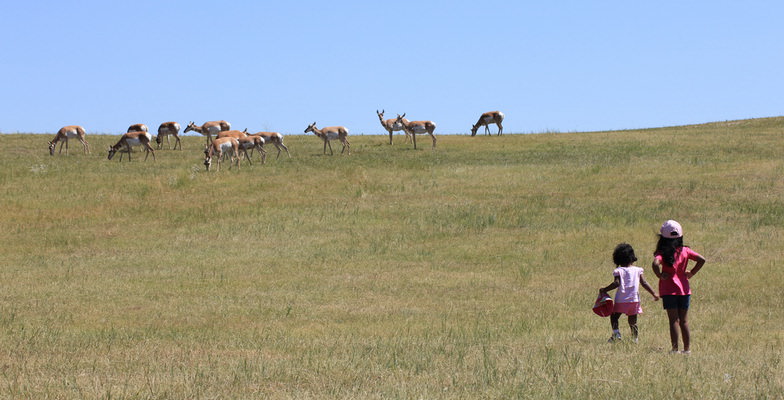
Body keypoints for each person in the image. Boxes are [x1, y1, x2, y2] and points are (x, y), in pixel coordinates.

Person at [652, 220, 706, 354]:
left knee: (673, 321)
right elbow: (702, 259)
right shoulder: (685, 251)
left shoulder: (662, 253)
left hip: (669, 291)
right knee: (684, 321)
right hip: (684, 290)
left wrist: (660, 274)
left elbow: (655, 263)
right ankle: (687, 349)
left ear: (663, 238)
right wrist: (692, 272)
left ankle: (675, 349)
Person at [599, 243, 659, 343]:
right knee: (633, 321)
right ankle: (635, 339)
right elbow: (644, 283)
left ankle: (616, 334)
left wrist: (604, 289)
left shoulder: (619, 270)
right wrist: (654, 293)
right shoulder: (638, 270)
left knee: (614, 316)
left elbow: (616, 283)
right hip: (634, 300)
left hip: (621, 299)